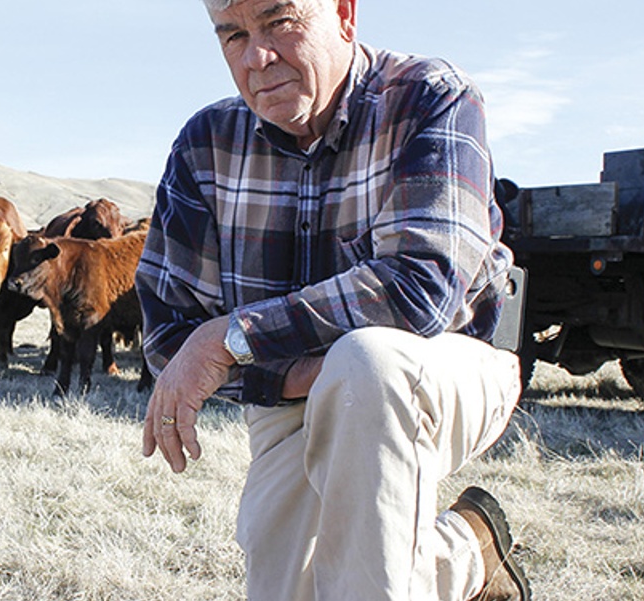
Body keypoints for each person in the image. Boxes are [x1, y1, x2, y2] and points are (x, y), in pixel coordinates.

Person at [135, 0, 530, 600]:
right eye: (234, 35)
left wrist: (232, 339)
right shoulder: (205, 145)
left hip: (444, 368)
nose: (257, 58)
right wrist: (295, 375)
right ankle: (468, 554)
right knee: (292, 588)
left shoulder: (431, 98)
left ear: (344, 13)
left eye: (279, 23)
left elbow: (420, 288)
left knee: (367, 365)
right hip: (288, 397)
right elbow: (170, 332)